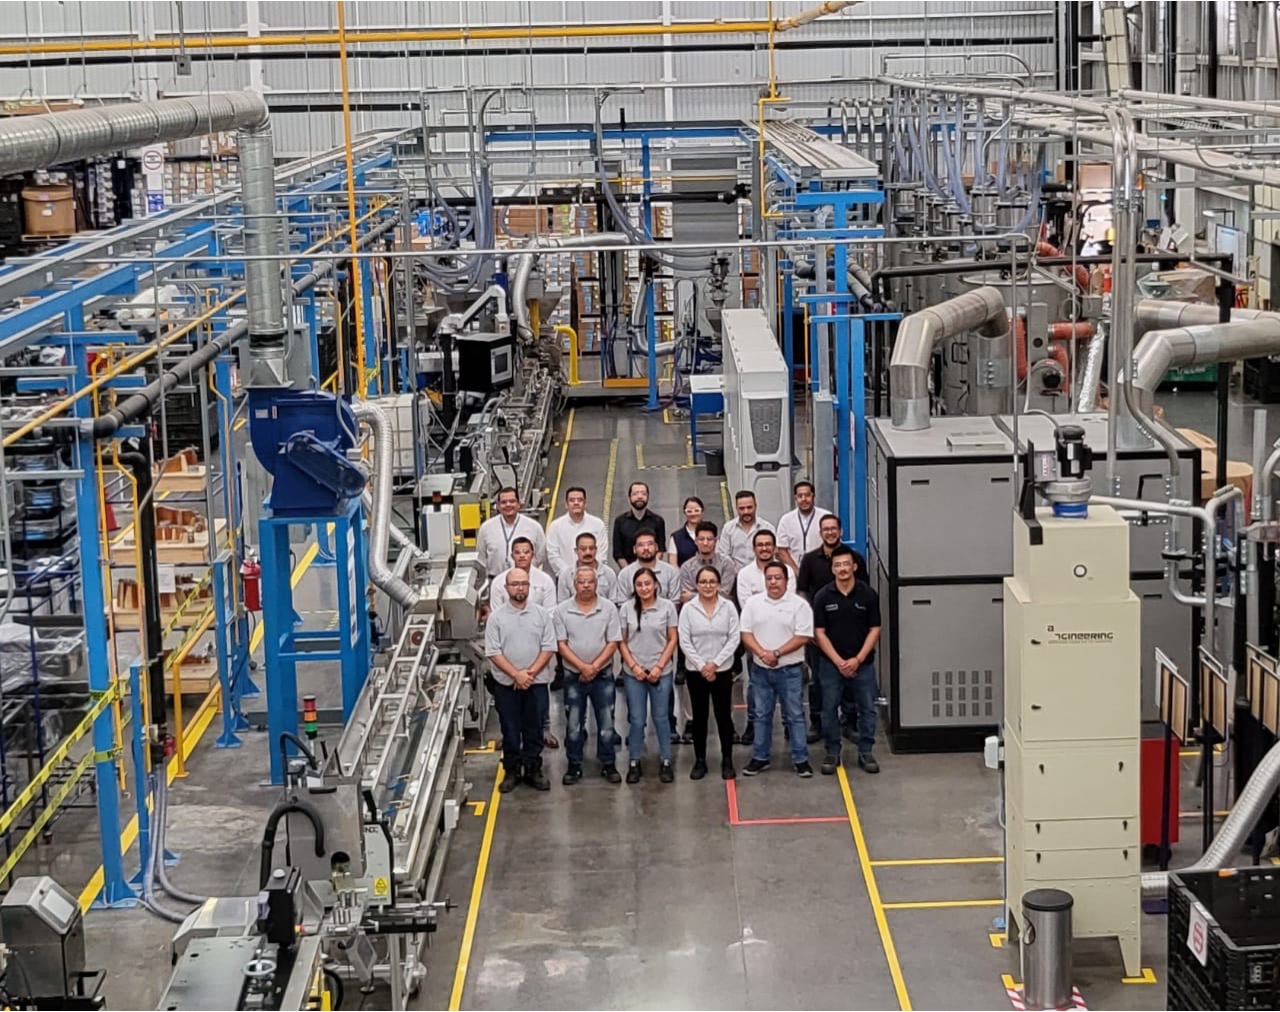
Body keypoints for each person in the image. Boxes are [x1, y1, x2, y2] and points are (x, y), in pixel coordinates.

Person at [483, 569, 558, 792]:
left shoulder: (542, 615)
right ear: (506, 588)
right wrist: (516, 675)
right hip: (506, 686)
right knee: (510, 729)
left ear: (529, 586)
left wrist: (529, 674)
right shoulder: (496, 618)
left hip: (536, 684)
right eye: (515, 584)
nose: (520, 588)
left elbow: (549, 647)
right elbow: (493, 651)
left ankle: (533, 769)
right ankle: (512, 770)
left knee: (534, 729)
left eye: (524, 584)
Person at [812, 545, 882, 775]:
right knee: (829, 709)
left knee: (867, 709)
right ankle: (832, 752)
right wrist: (839, 661)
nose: (842, 569)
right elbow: (819, 633)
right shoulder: (822, 596)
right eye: (837, 565)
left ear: (854, 566)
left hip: (863, 665)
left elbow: (875, 629)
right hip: (830, 665)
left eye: (846, 564)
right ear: (832, 569)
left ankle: (866, 751)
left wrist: (857, 659)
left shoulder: (868, 595)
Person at [739, 561, 814, 777]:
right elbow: (745, 633)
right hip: (760, 670)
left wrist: (777, 653)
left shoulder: (799, 605)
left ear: (787, 580)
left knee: (795, 716)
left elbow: (803, 636)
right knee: (761, 715)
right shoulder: (753, 603)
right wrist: (762, 654)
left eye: (778, 578)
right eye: (769, 578)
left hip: (790, 670)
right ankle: (760, 757)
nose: (773, 582)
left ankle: (801, 760)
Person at [554, 568, 623, 785]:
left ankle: (608, 763)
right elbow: (561, 645)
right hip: (573, 676)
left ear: (596, 584)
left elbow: (613, 642)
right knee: (574, 725)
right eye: (581, 581)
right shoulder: (562, 610)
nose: (585, 585)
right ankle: (574, 765)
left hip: (603, 675)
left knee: (606, 723)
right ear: (574, 584)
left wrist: (594, 667)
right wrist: (582, 667)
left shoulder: (608, 608)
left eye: (590, 581)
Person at [678, 566, 740, 781]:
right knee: (699, 717)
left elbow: (734, 637)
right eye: (703, 582)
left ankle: (727, 759)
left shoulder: (728, 607)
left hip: (722, 670)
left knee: (724, 717)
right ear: (696, 585)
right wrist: (702, 665)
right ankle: (700, 760)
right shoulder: (688, 609)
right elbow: (684, 640)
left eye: (712, 581)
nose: (708, 586)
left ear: (719, 584)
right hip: (696, 672)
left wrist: (715, 663)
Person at [617, 569, 679, 784]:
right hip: (634, 673)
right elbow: (621, 641)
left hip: (661, 671)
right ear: (634, 587)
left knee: (661, 718)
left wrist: (659, 667)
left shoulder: (667, 607)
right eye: (639, 584)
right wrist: (633, 666)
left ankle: (666, 760)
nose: (644, 588)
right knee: (636, 719)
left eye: (647, 584)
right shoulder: (626, 609)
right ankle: (634, 761)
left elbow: (672, 639)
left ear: (655, 585)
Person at [476, 486, 547, 577]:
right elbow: (481, 557)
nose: (508, 505)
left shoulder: (534, 527)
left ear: (519, 504)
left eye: (512, 501)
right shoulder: (486, 528)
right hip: (495, 579)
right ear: (498, 506)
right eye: (504, 502)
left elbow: (541, 555)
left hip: (525, 579)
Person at [546, 486, 609, 580]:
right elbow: (553, 555)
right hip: (565, 579)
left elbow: (601, 553)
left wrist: (589, 573)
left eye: (580, 500)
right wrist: (570, 574)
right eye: (572, 500)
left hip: (593, 579)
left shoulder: (598, 525)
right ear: (566, 504)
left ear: (585, 503)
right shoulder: (555, 526)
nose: (576, 503)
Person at [776, 480, 833, 572]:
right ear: (795, 498)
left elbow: (833, 543)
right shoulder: (786, 520)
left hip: (822, 569)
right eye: (800, 496)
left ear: (813, 496)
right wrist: (796, 571)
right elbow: (781, 550)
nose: (804, 499)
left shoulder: (826, 516)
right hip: (794, 570)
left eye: (807, 495)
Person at [678, 521, 737, 604]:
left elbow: (724, 595)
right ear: (696, 541)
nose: (705, 543)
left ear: (715, 541)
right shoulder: (686, 567)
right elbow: (685, 597)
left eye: (709, 539)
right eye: (701, 539)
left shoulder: (726, 564)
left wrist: (692, 596)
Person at [614, 530, 681, 603]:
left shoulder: (671, 572)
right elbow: (622, 604)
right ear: (634, 549)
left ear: (656, 547)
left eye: (650, 544)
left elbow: (675, 602)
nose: (646, 548)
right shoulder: (625, 574)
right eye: (641, 545)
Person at [490, 537, 556, 611]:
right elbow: (496, 613)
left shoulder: (546, 581)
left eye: (526, 552)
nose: (522, 556)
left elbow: (550, 612)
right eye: (517, 553)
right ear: (512, 556)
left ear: (533, 555)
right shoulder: (498, 582)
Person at [611, 481, 667, 567]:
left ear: (648, 497)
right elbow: (618, 554)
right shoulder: (620, 521)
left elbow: (660, 550)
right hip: (628, 570)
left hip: (652, 569)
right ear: (629, 498)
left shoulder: (658, 521)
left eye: (643, 494)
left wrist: (650, 569)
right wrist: (629, 571)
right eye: (635, 494)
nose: (640, 497)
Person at [555, 531, 618, 603]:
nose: (588, 552)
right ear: (576, 551)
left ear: (596, 550)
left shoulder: (609, 574)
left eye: (591, 548)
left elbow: (613, 603)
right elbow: (562, 605)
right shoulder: (565, 575)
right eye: (583, 549)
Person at [735, 529, 795, 602]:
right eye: (760, 545)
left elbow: (789, 600)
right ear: (754, 549)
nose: (764, 548)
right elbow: (746, 604)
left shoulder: (788, 571)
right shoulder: (744, 574)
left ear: (775, 548)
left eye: (768, 544)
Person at [720, 490, 775, 569]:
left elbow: (774, 553)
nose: (746, 512)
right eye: (742, 508)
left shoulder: (767, 528)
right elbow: (723, 555)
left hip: (762, 572)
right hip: (735, 574)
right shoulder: (728, 528)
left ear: (755, 506)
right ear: (736, 508)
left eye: (749, 507)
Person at [796, 514, 845, 600]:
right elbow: (802, 590)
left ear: (841, 532)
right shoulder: (808, 560)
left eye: (833, 528)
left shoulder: (855, 558)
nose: (830, 532)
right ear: (820, 534)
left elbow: (862, 588)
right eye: (826, 529)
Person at [667, 496, 706, 567]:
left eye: (697, 510)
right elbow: (673, 564)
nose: (693, 514)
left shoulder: (710, 534)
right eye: (689, 511)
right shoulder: (676, 537)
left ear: (702, 512)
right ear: (684, 513)